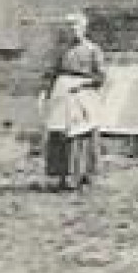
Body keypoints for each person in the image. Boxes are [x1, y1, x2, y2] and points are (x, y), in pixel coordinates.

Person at [41, 12, 106, 191]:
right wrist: (46, 92)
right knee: (60, 133)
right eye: (70, 28)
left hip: (83, 94)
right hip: (62, 94)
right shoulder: (61, 51)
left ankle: (84, 176)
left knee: (82, 134)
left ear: (84, 29)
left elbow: (100, 77)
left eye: (76, 26)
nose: (73, 31)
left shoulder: (93, 50)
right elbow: (51, 74)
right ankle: (61, 175)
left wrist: (82, 84)